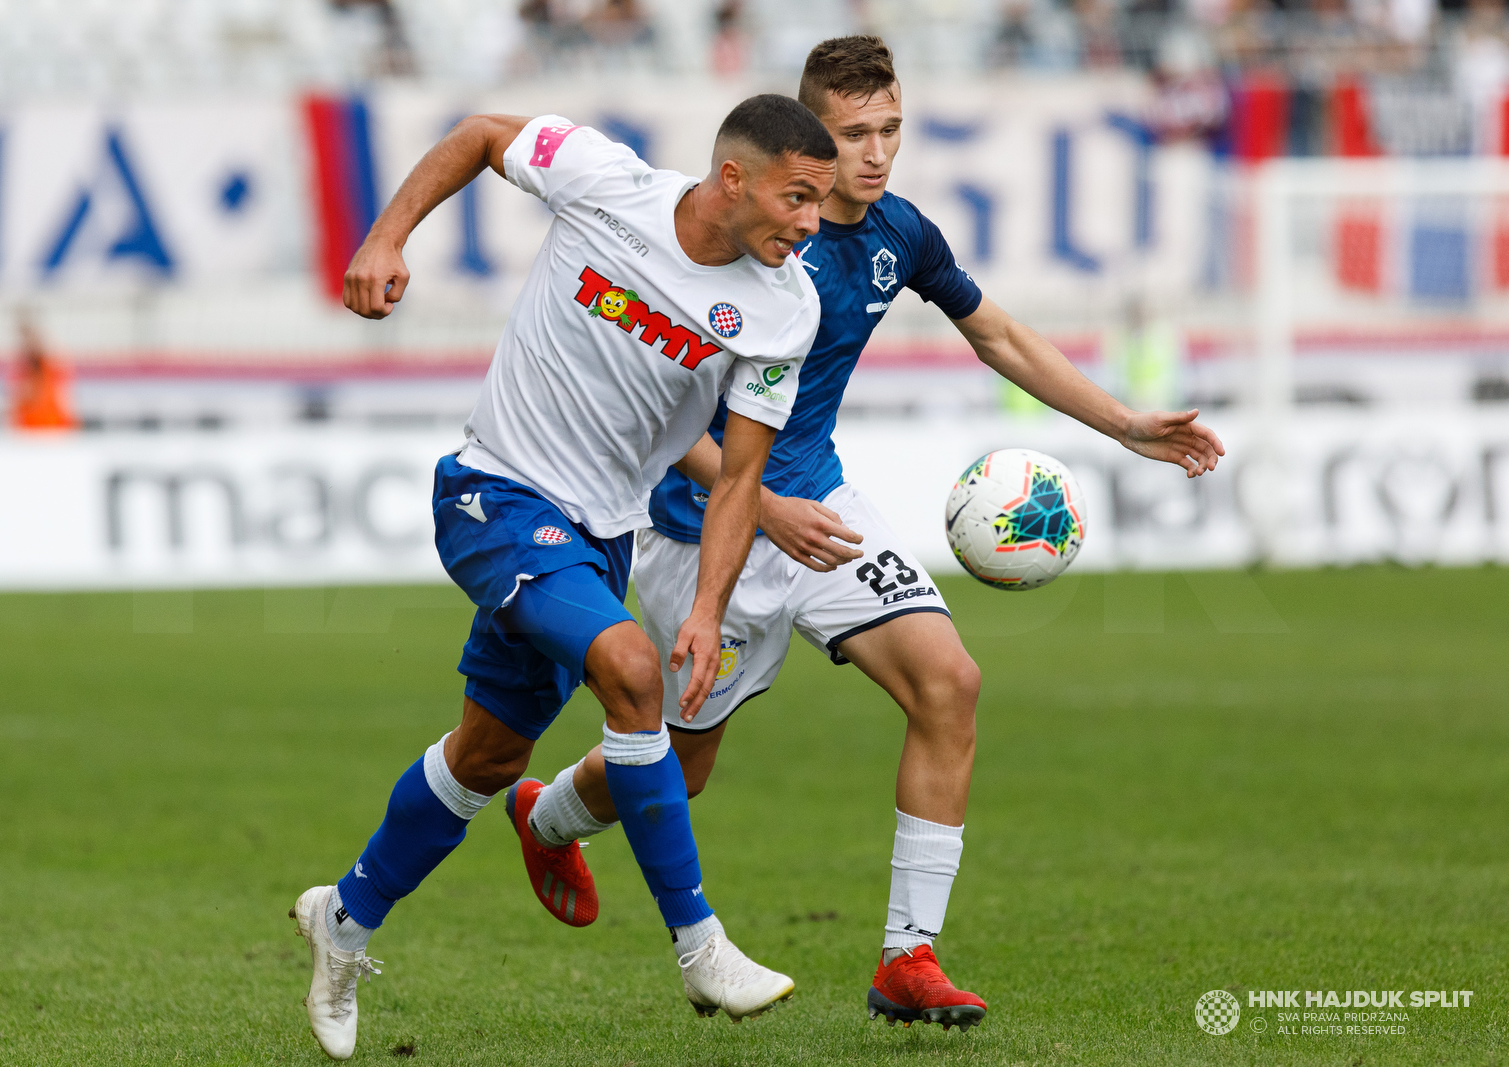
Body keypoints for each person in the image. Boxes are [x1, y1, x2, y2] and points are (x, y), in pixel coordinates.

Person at [512, 35, 1224, 1034]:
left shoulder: (899, 232)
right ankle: (545, 814)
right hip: (701, 528)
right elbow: (657, 419)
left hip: (824, 509)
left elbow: (998, 334)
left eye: (891, 128)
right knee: (683, 764)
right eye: (853, 134)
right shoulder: (738, 241)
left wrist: (1126, 421)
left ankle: (908, 957)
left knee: (950, 680)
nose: (877, 152)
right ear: (806, 134)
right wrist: (761, 505)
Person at [288, 95, 836, 1060]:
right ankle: (701, 945)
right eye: (798, 197)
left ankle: (345, 917)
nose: (809, 222)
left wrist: (707, 609)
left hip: (600, 535)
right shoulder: (606, 182)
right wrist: (386, 236)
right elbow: (482, 134)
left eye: (819, 203)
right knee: (629, 671)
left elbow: (740, 472)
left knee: (487, 759)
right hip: (493, 493)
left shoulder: (787, 307)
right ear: (735, 177)